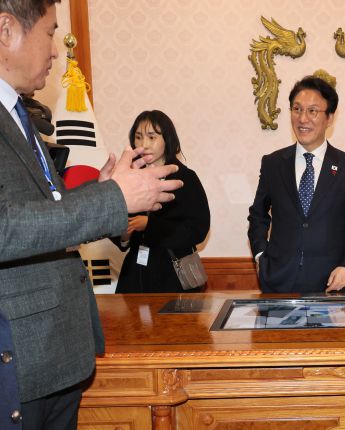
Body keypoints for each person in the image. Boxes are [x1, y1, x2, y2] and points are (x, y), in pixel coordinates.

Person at [0, 1, 182, 429]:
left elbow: (43, 211)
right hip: (21, 360)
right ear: (6, 30)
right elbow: (6, 227)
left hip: (54, 356)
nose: (55, 50)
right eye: (50, 32)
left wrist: (101, 191)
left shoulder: (18, 114)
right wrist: (113, 199)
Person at [248, 71, 345, 294]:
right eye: (297, 109)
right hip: (278, 283)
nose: (302, 119)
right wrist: (260, 256)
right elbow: (258, 215)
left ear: (329, 117)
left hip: (332, 285)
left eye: (312, 111)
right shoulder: (273, 163)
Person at [114, 110, 210, 293]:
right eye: (138, 137)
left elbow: (198, 229)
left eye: (152, 137)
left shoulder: (186, 178)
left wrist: (150, 225)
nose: (144, 144)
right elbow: (119, 231)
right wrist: (124, 235)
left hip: (172, 275)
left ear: (167, 139)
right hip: (135, 275)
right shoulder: (129, 177)